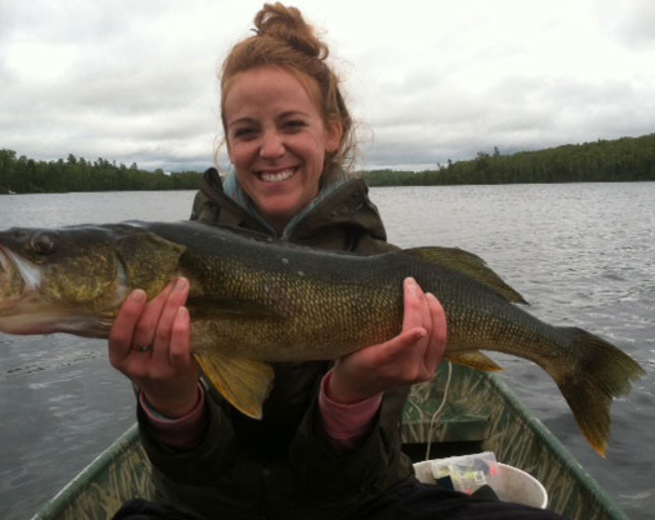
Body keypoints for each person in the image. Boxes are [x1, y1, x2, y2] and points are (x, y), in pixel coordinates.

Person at [108, 4, 566, 519]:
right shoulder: (174, 271)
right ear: (228, 145)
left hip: (359, 502)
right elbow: (199, 478)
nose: (271, 148)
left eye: (291, 124)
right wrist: (171, 401)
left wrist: (351, 393)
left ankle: (571, 359)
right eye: (247, 132)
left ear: (331, 133)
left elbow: (345, 478)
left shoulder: (387, 269)